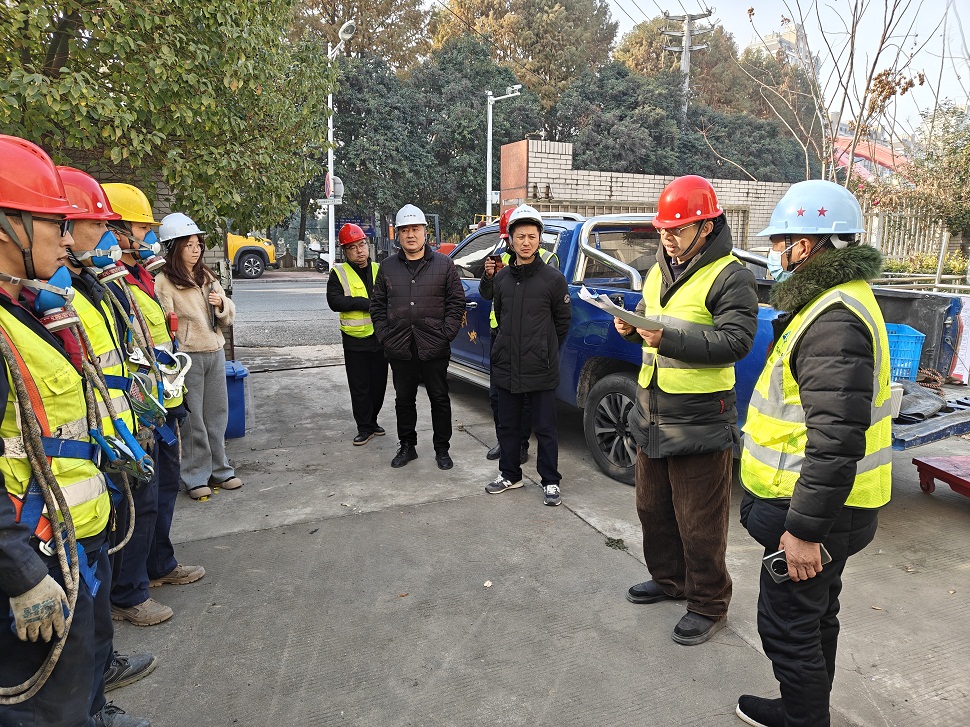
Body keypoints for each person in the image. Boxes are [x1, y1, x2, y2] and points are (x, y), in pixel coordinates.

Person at [0, 135, 150, 726]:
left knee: (76, 685)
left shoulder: (24, 312)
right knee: (45, 712)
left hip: (67, 538)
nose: (66, 239)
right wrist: (20, 572)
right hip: (34, 553)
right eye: (54, 223)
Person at [735, 180, 892, 727]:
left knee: (789, 627)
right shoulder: (837, 301)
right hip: (830, 507)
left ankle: (803, 719)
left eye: (779, 243)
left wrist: (803, 532)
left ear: (804, 246)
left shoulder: (833, 319)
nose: (773, 253)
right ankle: (803, 710)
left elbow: (835, 440)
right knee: (816, 617)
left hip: (813, 511)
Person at [614, 175, 758, 645]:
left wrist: (667, 338)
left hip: (700, 419)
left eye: (678, 230)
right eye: (663, 230)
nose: (668, 239)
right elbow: (653, 323)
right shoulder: (659, 269)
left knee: (700, 522)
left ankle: (708, 603)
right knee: (652, 509)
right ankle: (669, 580)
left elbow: (735, 342)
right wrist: (631, 329)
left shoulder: (731, 276)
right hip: (652, 414)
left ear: (707, 226)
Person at [58, 166, 160, 698]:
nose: (116, 240)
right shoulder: (56, 299)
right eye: (100, 227)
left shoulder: (96, 286)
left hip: (119, 431)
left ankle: (102, 676)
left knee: (100, 569)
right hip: (84, 453)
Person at [101, 183, 203, 627]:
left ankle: (160, 563)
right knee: (137, 503)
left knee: (162, 490)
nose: (148, 238)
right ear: (115, 232)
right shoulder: (110, 285)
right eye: (141, 230)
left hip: (160, 402)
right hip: (134, 410)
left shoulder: (139, 276)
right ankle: (129, 591)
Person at [480, 205, 570, 506]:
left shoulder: (553, 279)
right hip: (507, 364)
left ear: (540, 239)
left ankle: (551, 480)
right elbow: (500, 314)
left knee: (545, 428)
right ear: (511, 240)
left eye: (532, 236)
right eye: (520, 236)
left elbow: (562, 323)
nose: (526, 242)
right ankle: (510, 475)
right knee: (508, 425)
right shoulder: (502, 279)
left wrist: (544, 348)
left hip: (540, 366)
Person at [370, 204, 465, 470]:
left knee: (439, 399)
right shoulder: (387, 267)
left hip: (434, 346)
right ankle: (407, 446)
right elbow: (377, 306)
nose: (410, 235)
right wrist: (385, 337)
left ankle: (442, 449)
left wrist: (445, 334)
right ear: (398, 235)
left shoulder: (444, 265)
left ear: (425, 232)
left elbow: (456, 303)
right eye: (405, 230)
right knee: (404, 400)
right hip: (400, 347)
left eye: (415, 229)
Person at [155, 213, 240, 498]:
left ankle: (221, 470)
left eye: (198, 244)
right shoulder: (164, 281)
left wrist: (221, 304)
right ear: (174, 247)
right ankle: (195, 476)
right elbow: (164, 323)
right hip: (187, 357)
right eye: (188, 245)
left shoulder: (207, 276)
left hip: (215, 351)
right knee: (194, 422)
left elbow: (228, 314)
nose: (196, 250)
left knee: (217, 416)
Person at [326, 223, 388, 445]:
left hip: (380, 338)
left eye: (362, 245)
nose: (359, 250)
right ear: (345, 251)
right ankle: (364, 427)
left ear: (368, 245)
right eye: (352, 247)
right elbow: (335, 301)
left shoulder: (380, 269)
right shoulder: (339, 272)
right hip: (354, 340)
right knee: (360, 386)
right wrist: (364, 303)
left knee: (379, 385)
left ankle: (373, 420)